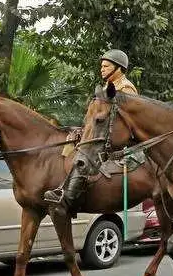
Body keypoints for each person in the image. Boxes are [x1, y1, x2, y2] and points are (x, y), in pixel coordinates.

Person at [44, 49, 137, 207]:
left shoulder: (126, 88)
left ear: (119, 68)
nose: (102, 69)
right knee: (70, 139)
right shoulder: (107, 86)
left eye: (106, 66)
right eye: (101, 66)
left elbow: (123, 119)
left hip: (115, 136)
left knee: (86, 154)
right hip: (101, 130)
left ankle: (70, 195)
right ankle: (60, 183)